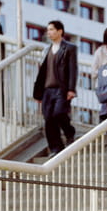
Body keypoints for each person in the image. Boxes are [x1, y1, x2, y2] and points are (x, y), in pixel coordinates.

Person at [31, 20, 77, 155]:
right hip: (47, 90)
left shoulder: (69, 48)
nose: (48, 32)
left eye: (51, 29)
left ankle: (69, 132)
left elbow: (72, 69)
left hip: (61, 88)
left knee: (59, 113)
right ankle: (56, 148)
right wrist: (38, 93)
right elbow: (41, 72)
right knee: (48, 119)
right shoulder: (46, 50)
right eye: (48, 30)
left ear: (60, 31)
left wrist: (71, 89)